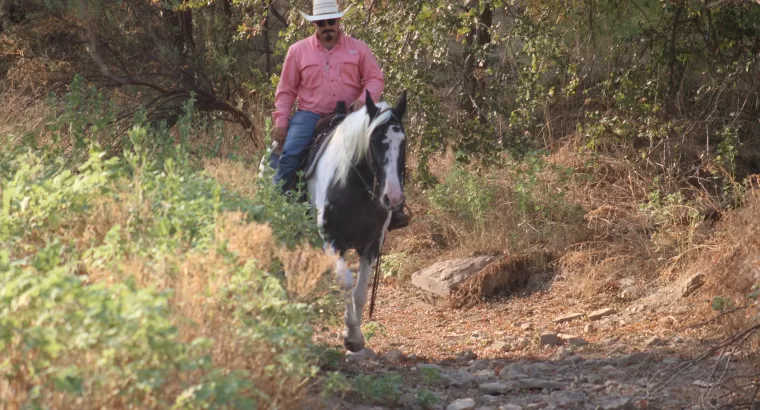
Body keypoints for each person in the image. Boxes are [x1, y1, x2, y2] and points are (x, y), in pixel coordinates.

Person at [269, 0, 409, 230]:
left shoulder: (358, 48)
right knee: (291, 153)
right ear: (315, 24)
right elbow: (286, 89)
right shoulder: (298, 51)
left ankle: (394, 209)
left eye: (331, 21)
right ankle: (280, 208)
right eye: (321, 23)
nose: (327, 27)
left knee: (386, 147)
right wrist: (282, 121)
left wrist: (362, 100)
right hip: (310, 114)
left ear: (339, 21)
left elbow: (375, 79)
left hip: (351, 114)